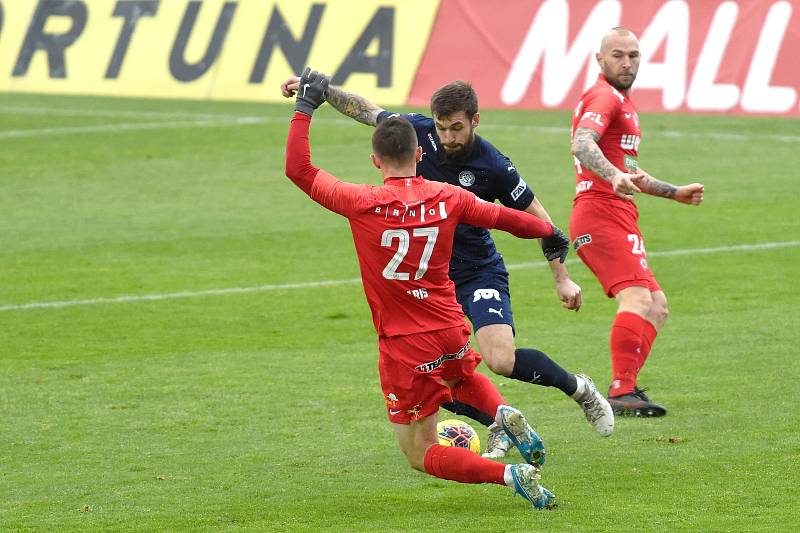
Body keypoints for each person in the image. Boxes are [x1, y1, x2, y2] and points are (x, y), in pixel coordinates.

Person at [281, 74, 614, 454]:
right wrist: (324, 92)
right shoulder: (417, 132)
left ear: (475, 120)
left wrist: (562, 278)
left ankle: (579, 389)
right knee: (430, 371)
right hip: (426, 279)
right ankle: (499, 424)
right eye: (441, 128)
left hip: (475, 269)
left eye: (456, 128)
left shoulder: (494, 165)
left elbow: (537, 218)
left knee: (500, 360)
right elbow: (368, 111)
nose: (448, 137)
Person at [570, 27, 705, 416]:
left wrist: (672, 191)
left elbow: (627, 167)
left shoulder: (621, 102)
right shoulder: (602, 97)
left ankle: (624, 389)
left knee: (657, 305)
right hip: (599, 211)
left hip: (617, 211)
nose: (627, 62)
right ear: (600, 59)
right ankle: (619, 391)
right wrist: (611, 176)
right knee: (638, 298)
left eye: (633, 55)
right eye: (617, 55)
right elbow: (582, 143)